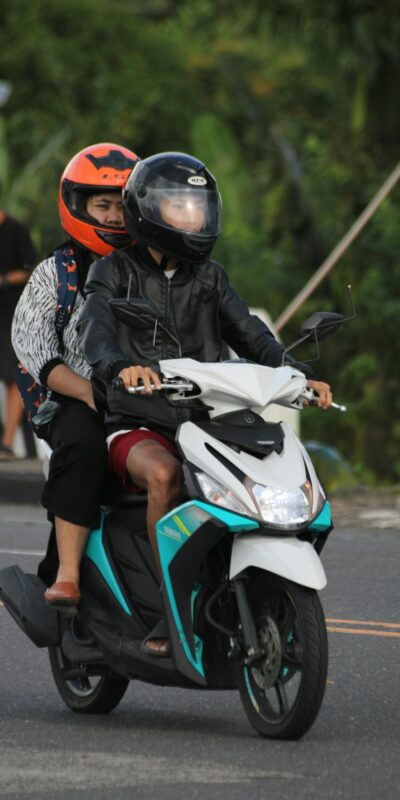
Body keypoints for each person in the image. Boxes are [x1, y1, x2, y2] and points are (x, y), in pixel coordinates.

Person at [77, 151, 333, 654]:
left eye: (197, 207)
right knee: (165, 476)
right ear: (148, 210)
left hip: (207, 421)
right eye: (178, 206)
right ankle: (167, 615)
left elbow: (253, 334)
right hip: (136, 420)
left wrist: (297, 373)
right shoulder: (112, 272)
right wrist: (118, 368)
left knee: (258, 482)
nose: (191, 217)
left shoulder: (210, 277)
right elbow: (96, 332)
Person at [12, 142, 139, 608]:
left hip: (150, 397)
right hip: (69, 400)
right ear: (77, 205)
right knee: (85, 446)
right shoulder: (55, 273)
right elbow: (38, 355)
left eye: (123, 205)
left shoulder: (156, 265)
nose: (113, 216)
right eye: (102, 205)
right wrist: (93, 393)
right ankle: (66, 574)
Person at [0, 208, 37, 458]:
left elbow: (31, 269)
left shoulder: (16, 229)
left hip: (12, 315)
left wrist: (3, 280)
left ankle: (8, 443)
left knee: (14, 377)